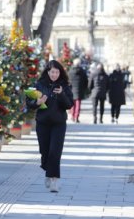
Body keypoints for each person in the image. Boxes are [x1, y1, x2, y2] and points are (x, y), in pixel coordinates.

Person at [26, 60, 74, 192]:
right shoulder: (40, 84)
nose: (55, 74)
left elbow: (69, 105)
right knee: (45, 151)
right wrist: (38, 102)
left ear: (60, 72)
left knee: (55, 152)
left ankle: (54, 180)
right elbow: (29, 103)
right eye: (52, 72)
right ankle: (47, 170)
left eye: (57, 72)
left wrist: (62, 94)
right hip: (43, 123)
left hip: (59, 124)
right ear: (48, 72)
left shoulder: (64, 85)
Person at [68, 58, 88, 123]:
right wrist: (84, 88)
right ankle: (76, 117)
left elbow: (68, 81)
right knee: (78, 104)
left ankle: (72, 116)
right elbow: (86, 81)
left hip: (72, 90)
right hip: (79, 90)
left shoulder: (70, 71)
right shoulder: (82, 71)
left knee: (72, 104)